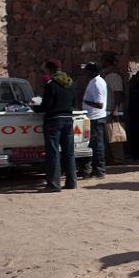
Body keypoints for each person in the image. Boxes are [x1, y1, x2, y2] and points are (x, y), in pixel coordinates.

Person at [33, 58, 78, 192]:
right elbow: (74, 103)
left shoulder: (51, 84)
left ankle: (54, 184)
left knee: (53, 153)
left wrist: (36, 108)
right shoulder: (71, 83)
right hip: (68, 119)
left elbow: (46, 105)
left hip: (54, 120)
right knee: (69, 152)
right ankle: (71, 182)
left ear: (50, 69)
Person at [80, 62, 107, 179]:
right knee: (93, 145)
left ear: (92, 72)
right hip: (92, 117)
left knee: (97, 145)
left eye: (86, 71)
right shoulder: (94, 81)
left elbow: (99, 104)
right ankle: (94, 169)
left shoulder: (97, 83)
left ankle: (99, 170)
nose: (85, 73)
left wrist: (85, 101)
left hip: (96, 117)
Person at [102, 53, 126, 164]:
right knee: (109, 136)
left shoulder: (114, 76)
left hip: (113, 110)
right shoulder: (107, 75)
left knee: (115, 135)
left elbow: (118, 93)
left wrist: (115, 109)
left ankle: (118, 158)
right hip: (108, 110)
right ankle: (112, 158)